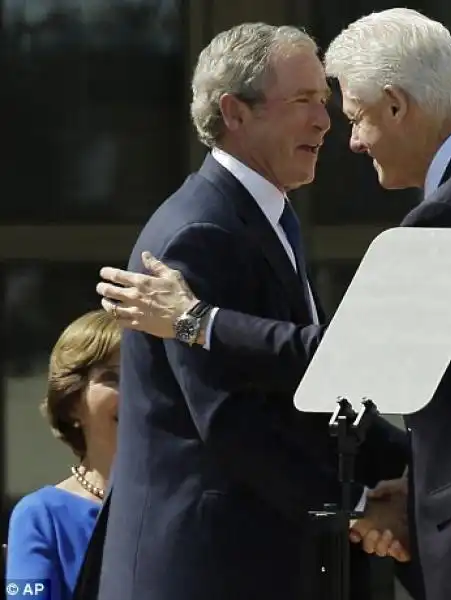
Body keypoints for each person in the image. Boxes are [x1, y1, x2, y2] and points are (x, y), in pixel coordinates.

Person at [96, 8, 451, 600]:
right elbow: (245, 414)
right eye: (306, 103)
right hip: (213, 568)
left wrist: (195, 320)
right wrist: (374, 495)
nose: (345, 136)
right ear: (235, 112)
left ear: (396, 105)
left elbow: (354, 357)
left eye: (349, 112)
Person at [90, 22, 408, 600]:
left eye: (325, 100)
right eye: (303, 101)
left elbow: (305, 389)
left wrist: (411, 470)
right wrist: (362, 506)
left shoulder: (266, 216)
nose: (324, 120)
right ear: (234, 112)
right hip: (201, 569)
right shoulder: (201, 232)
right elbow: (231, 420)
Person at [5, 310, 120, 600]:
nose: (135, 392)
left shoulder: (185, 507)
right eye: (113, 377)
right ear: (72, 405)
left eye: (144, 378)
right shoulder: (41, 517)